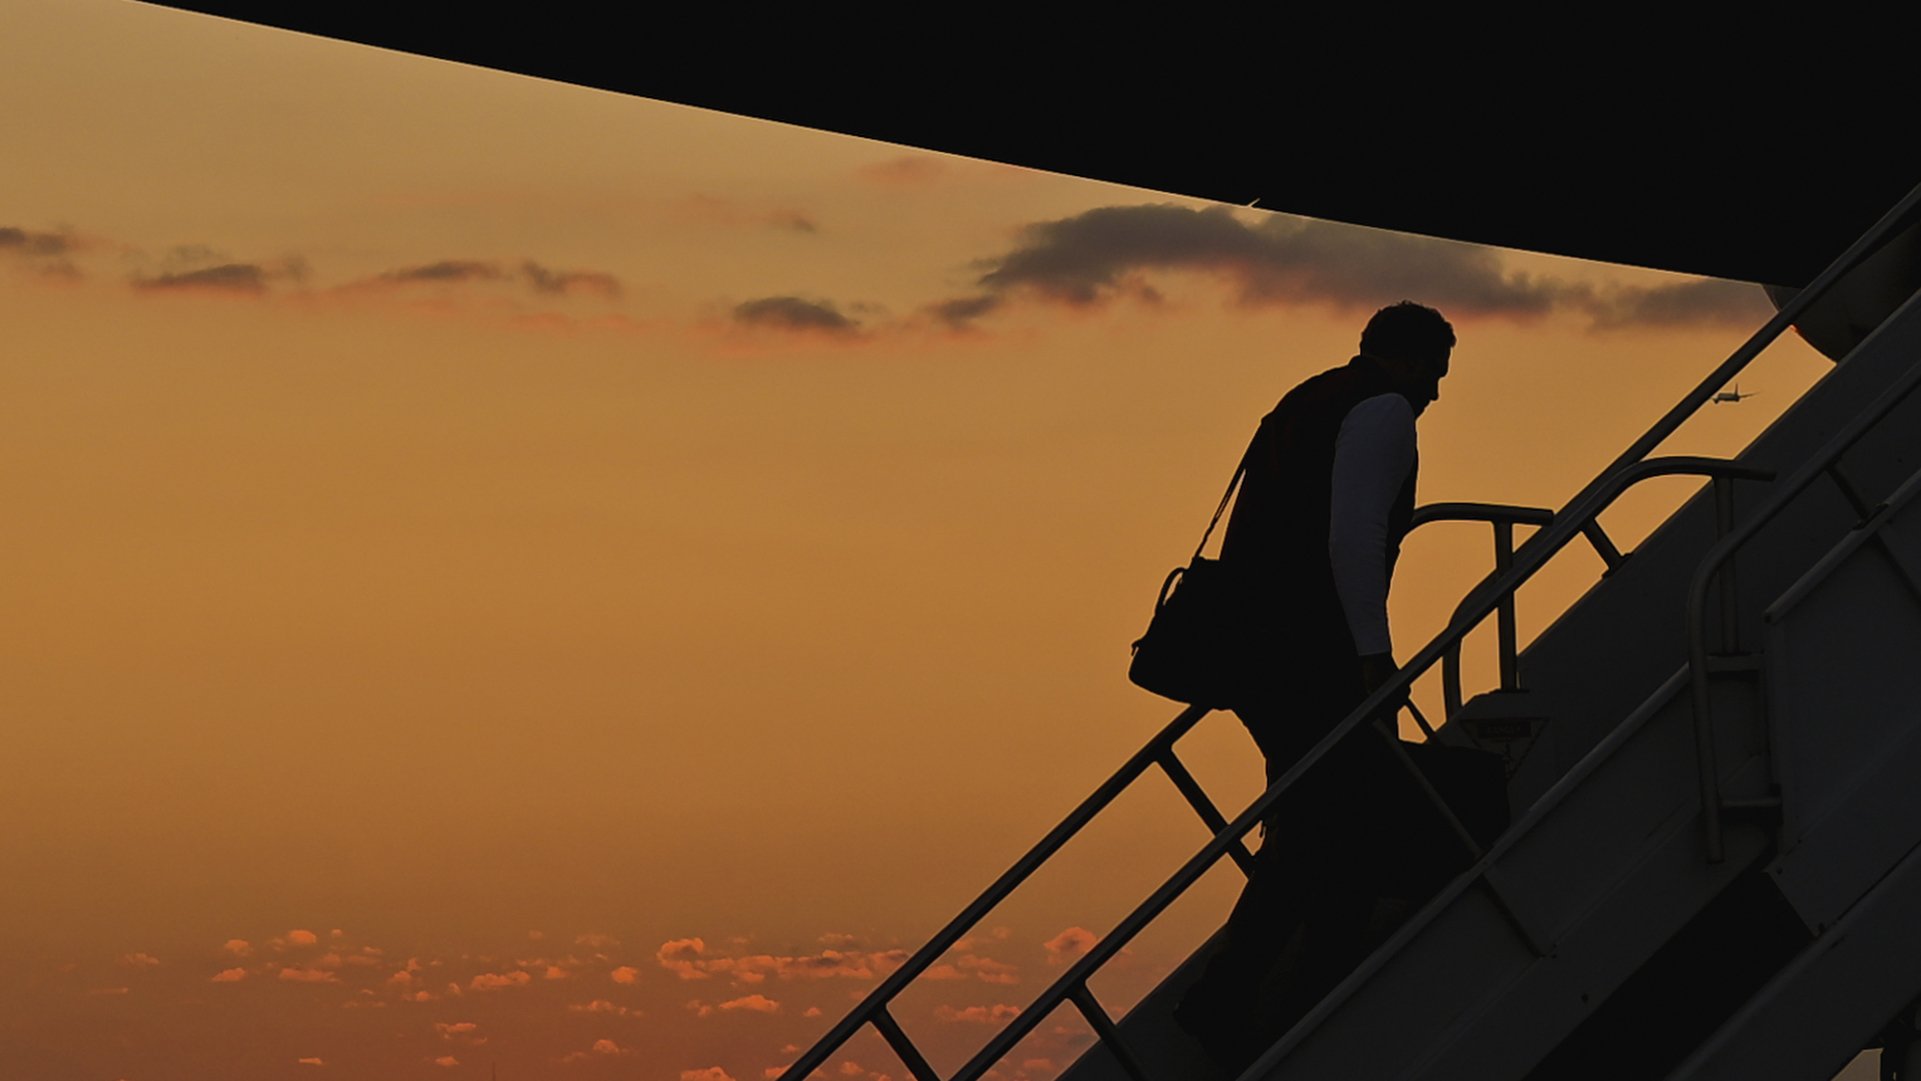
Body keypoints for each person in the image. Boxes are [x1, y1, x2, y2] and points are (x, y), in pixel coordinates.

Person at [1173, 301, 1455, 1072]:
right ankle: (1237, 994)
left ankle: (1274, 989)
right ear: (1410, 359)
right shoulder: (1383, 410)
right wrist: (1373, 652)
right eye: (1435, 370)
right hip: (1312, 650)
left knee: (1318, 811)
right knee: (1328, 820)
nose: (1435, 391)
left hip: (1256, 646)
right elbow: (1353, 535)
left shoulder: (1306, 399)